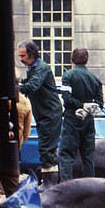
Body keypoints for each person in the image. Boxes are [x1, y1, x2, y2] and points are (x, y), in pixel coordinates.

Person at [18, 41, 62, 189]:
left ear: (31, 54)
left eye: (23, 56)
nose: (21, 59)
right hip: (44, 114)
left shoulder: (41, 68)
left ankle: (50, 184)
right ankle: (49, 181)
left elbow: (33, 86)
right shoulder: (33, 68)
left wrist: (16, 87)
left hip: (49, 114)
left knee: (47, 148)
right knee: (46, 147)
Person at [58, 48, 104, 182]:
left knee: (66, 154)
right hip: (88, 121)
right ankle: (89, 188)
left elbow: (66, 97)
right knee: (88, 156)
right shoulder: (95, 79)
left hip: (72, 119)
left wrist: (80, 106)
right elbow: (100, 103)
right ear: (86, 61)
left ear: (72, 60)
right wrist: (87, 109)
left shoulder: (68, 76)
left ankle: (67, 186)